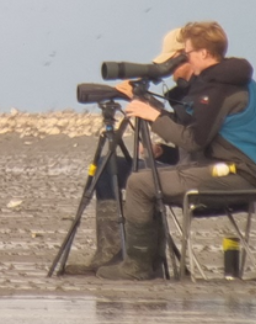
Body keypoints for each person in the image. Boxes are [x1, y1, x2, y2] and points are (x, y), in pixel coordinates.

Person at [96, 21, 256, 281]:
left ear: (204, 53)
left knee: (139, 183)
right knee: (145, 177)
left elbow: (193, 140)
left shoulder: (216, 89)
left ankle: (138, 266)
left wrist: (153, 116)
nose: (186, 58)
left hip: (234, 176)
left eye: (188, 53)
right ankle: (144, 261)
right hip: (251, 176)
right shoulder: (249, 85)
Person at [63, 27, 190, 275]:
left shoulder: (201, 91)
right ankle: (109, 254)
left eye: (174, 62)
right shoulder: (186, 91)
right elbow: (189, 138)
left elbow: (197, 138)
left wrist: (147, 106)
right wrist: (163, 152)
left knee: (138, 178)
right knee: (106, 164)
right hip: (187, 164)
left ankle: (141, 259)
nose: (170, 71)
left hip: (196, 173)